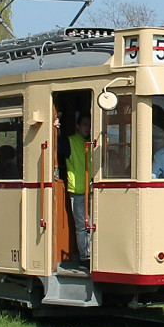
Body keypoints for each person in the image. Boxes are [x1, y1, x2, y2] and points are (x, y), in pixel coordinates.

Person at [58, 112, 92, 270]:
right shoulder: (69, 142)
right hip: (78, 191)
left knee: (91, 225)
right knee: (82, 226)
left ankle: (92, 255)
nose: (88, 128)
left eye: (89, 125)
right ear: (77, 126)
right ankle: (85, 257)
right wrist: (54, 127)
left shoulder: (93, 143)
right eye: (84, 125)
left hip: (92, 191)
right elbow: (53, 144)